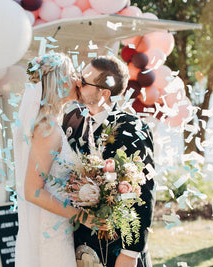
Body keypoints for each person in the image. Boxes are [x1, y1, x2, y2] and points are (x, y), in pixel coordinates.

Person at [62, 55, 156, 267]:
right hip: (78, 244)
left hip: (117, 249)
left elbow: (144, 191)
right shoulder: (72, 121)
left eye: (85, 81)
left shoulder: (133, 129)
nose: (78, 83)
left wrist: (130, 253)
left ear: (104, 93)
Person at [13, 53, 103, 267]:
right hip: (50, 232)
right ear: (60, 82)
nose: (78, 79)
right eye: (72, 74)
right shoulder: (48, 129)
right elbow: (33, 191)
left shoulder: (51, 123)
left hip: (56, 225)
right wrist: (83, 217)